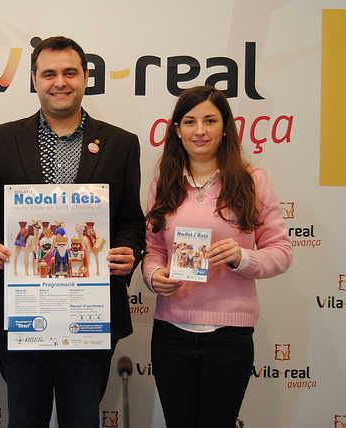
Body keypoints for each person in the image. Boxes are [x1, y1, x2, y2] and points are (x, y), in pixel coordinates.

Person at [0, 36, 145, 428]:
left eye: (70, 72)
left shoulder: (121, 144)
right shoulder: (1, 139)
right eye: (49, 73)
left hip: (90, 312)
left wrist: (127, 251)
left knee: (82, 419)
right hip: (20, 312)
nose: (60, 82)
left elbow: (131, 221)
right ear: (35, 80)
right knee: (24, 418)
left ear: (86, 77)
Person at [143, 85, 292, 428]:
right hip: (170, 333)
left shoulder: (253, 181)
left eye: (210, 120)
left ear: (225, 127)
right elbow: (154, 250)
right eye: (190, 121)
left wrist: (243, 258)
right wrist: (153, 276)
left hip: (230, 336)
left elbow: (281, 252)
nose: (200, 130)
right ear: (177, 130)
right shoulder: (163, 184)